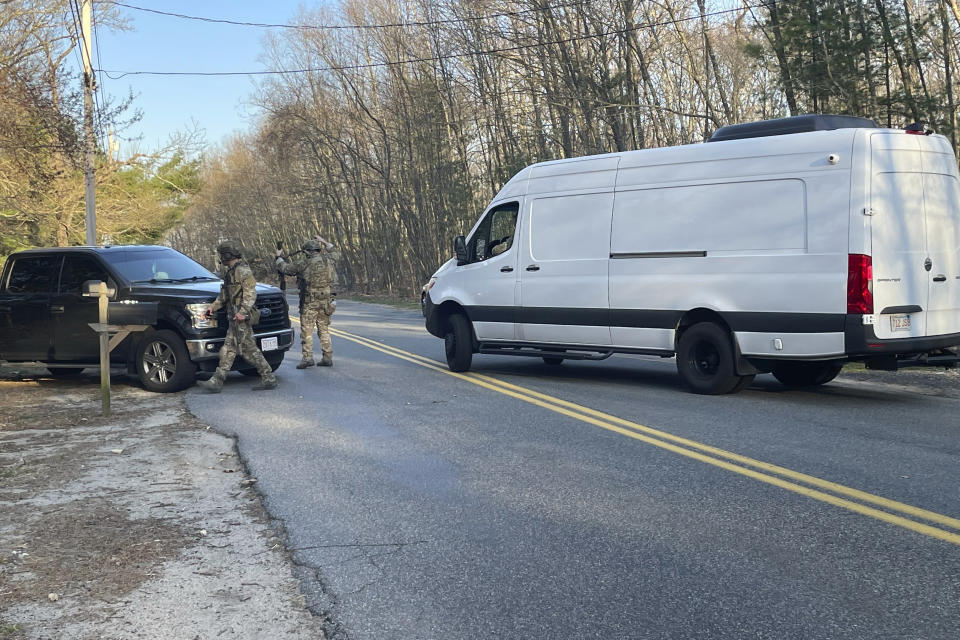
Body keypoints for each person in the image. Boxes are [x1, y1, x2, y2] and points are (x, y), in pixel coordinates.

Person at [197, 242, 278, 392]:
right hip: (234, 317)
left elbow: (250, 293)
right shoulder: (230, 273)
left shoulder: (242, 271)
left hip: (241, 318)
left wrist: (244, 312)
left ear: (227, 255)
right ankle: (217, 381)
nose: (220, 258)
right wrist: (211, 308)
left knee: (248, 350)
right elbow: (224, 296)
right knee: (229, 349)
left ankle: (268, 377)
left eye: (222, 255)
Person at [276, 235, 340, 368]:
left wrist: (278, 257)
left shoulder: (303, 263)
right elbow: (336, 252)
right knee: (324, 329)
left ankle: (307, 358)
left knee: (307, 330)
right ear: (318, 249)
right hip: (326, 300)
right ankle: (327, 357)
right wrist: (324, 241)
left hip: (310, 301)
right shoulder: (329, 259)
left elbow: (285, 268)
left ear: (306, 252)